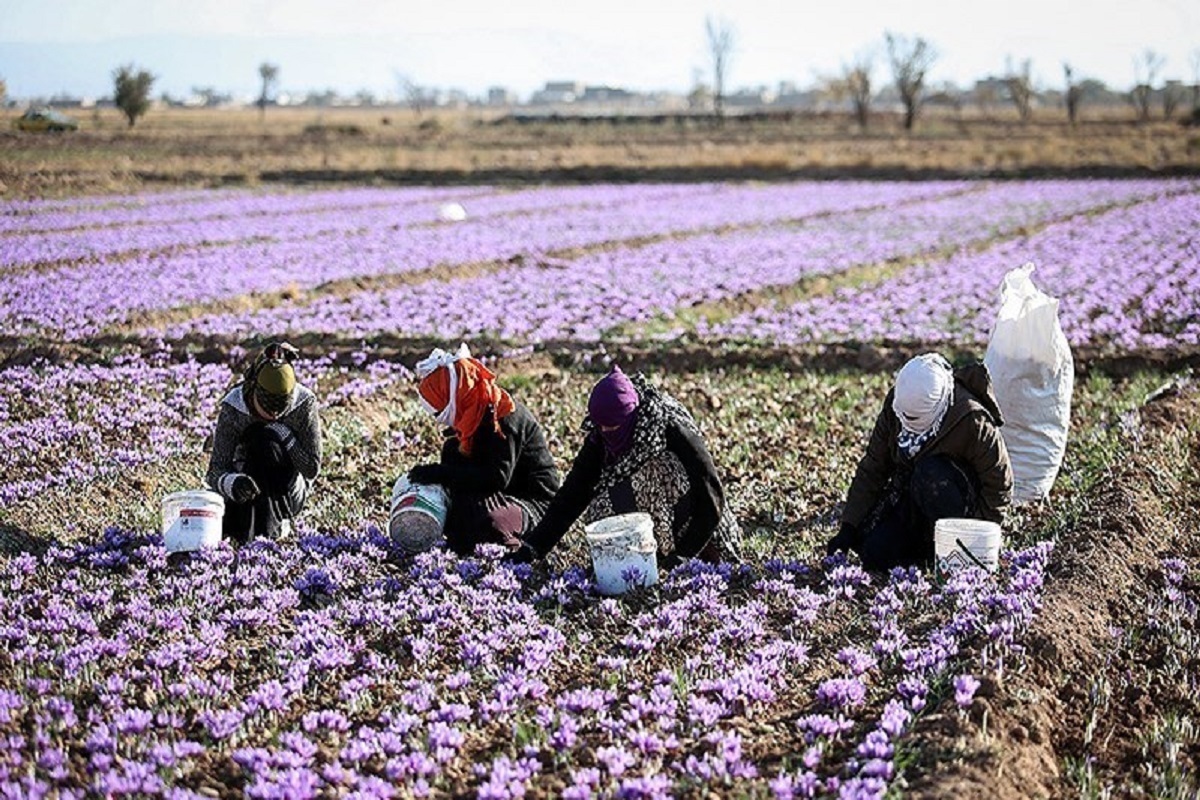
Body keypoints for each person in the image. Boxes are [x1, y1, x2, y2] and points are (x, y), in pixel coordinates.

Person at [505, 366, 742, 567]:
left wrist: (685, 555)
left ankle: (692, 556)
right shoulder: (601, 436)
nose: (608, 433)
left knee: (661, 469)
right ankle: (641, 561)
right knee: (602, 503)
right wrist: (533, 548)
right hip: (653, 523)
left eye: (614, 427)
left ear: (631, 415)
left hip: (697, 524)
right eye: (602, 427)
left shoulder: (669, 427)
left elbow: (711, 493)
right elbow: (573, 495)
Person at [826, 353, 1013, 571]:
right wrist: (849, 525)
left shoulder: (972, 420)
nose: (908, 423)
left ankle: (940, 549)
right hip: (912, 498)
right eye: (906, 417)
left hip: (955, 506)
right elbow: (874, 467)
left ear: (940, 404)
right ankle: (924, 552)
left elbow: (999, 486)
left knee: (930, 474)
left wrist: (976, 542)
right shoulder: (899, 403)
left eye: (917, 419)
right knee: (874, 555)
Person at [406, 345, 561, 556]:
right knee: (457, 514)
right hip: (498, 495)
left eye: (439, 408)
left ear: (456, 396)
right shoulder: (467, 421)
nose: (438, 418)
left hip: (532, 502)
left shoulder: (504, 418)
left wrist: (440, 473)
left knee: (489, 521)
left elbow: (496, 478)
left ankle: (517, 553)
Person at [206, 341, 322, 544]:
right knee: (257, 437)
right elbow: (215, 471)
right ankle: (249, 538)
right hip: (244, 484)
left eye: (280, 412)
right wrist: (233, 483)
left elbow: (312, 468)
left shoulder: (304, 404)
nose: (274, 416)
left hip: (286, 491)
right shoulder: (235, 407)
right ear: (253, 392)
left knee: (266, 442)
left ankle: (273, 528)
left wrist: (285, 436)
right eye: (268, 410)